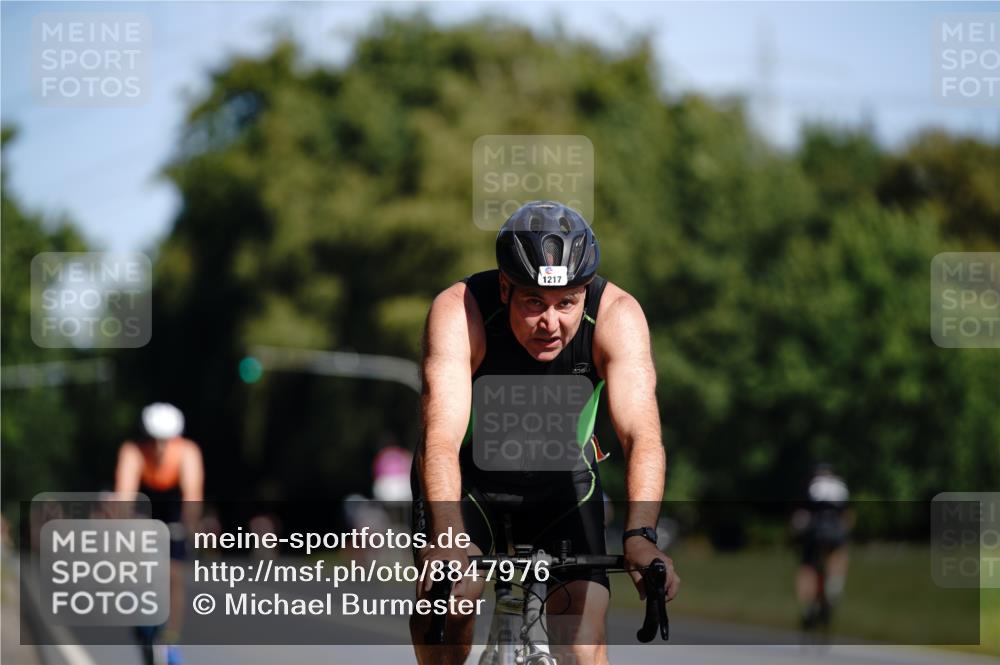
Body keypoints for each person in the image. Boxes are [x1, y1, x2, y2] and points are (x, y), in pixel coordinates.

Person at [409, 201, 679, 665]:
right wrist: (448, 535)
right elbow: (440, 440)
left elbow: (642, 436)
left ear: (585, 292)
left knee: (580, 644)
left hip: (563, 482)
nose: (551, 323)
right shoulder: (461, 311)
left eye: (567, 303)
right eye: (534, 301)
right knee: (448, 600)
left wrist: (640, 533)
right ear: (504, 287)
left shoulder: (617, 315)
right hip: (469, 479)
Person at [115, 403, 204, 665]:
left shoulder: (188, 452)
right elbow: (125, 495)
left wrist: (190, 530)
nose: (160, 447)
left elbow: (192, 498)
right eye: (154, 440)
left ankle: (171, 637)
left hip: (173, 514)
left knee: (174, 575)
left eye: (166, 440)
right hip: (143, 512)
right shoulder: (133, 452)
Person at [791, 463, 852, 632]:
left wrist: (795, 536)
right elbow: (847, 516)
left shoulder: (810, 485)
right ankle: (834, 588)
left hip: (815, 531)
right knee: (839, 554)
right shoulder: (840, 486)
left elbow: (800, 517)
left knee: (807, 566)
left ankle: (808, 605)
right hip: (835, 530)